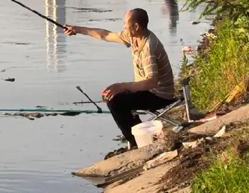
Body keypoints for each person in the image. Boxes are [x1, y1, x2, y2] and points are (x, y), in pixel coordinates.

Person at [64, 8, 176, 150]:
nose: (123, 27)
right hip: (147, 91)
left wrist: (123, 86)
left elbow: (152, 82)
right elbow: (105, 35)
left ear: (136, 26)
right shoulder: (134, 37)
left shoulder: (149, 47)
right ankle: (141, 136)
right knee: (112, 96)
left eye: (126, 24)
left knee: (116, 102)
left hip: (159, 96)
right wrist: (78, 29)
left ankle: (137, 143)